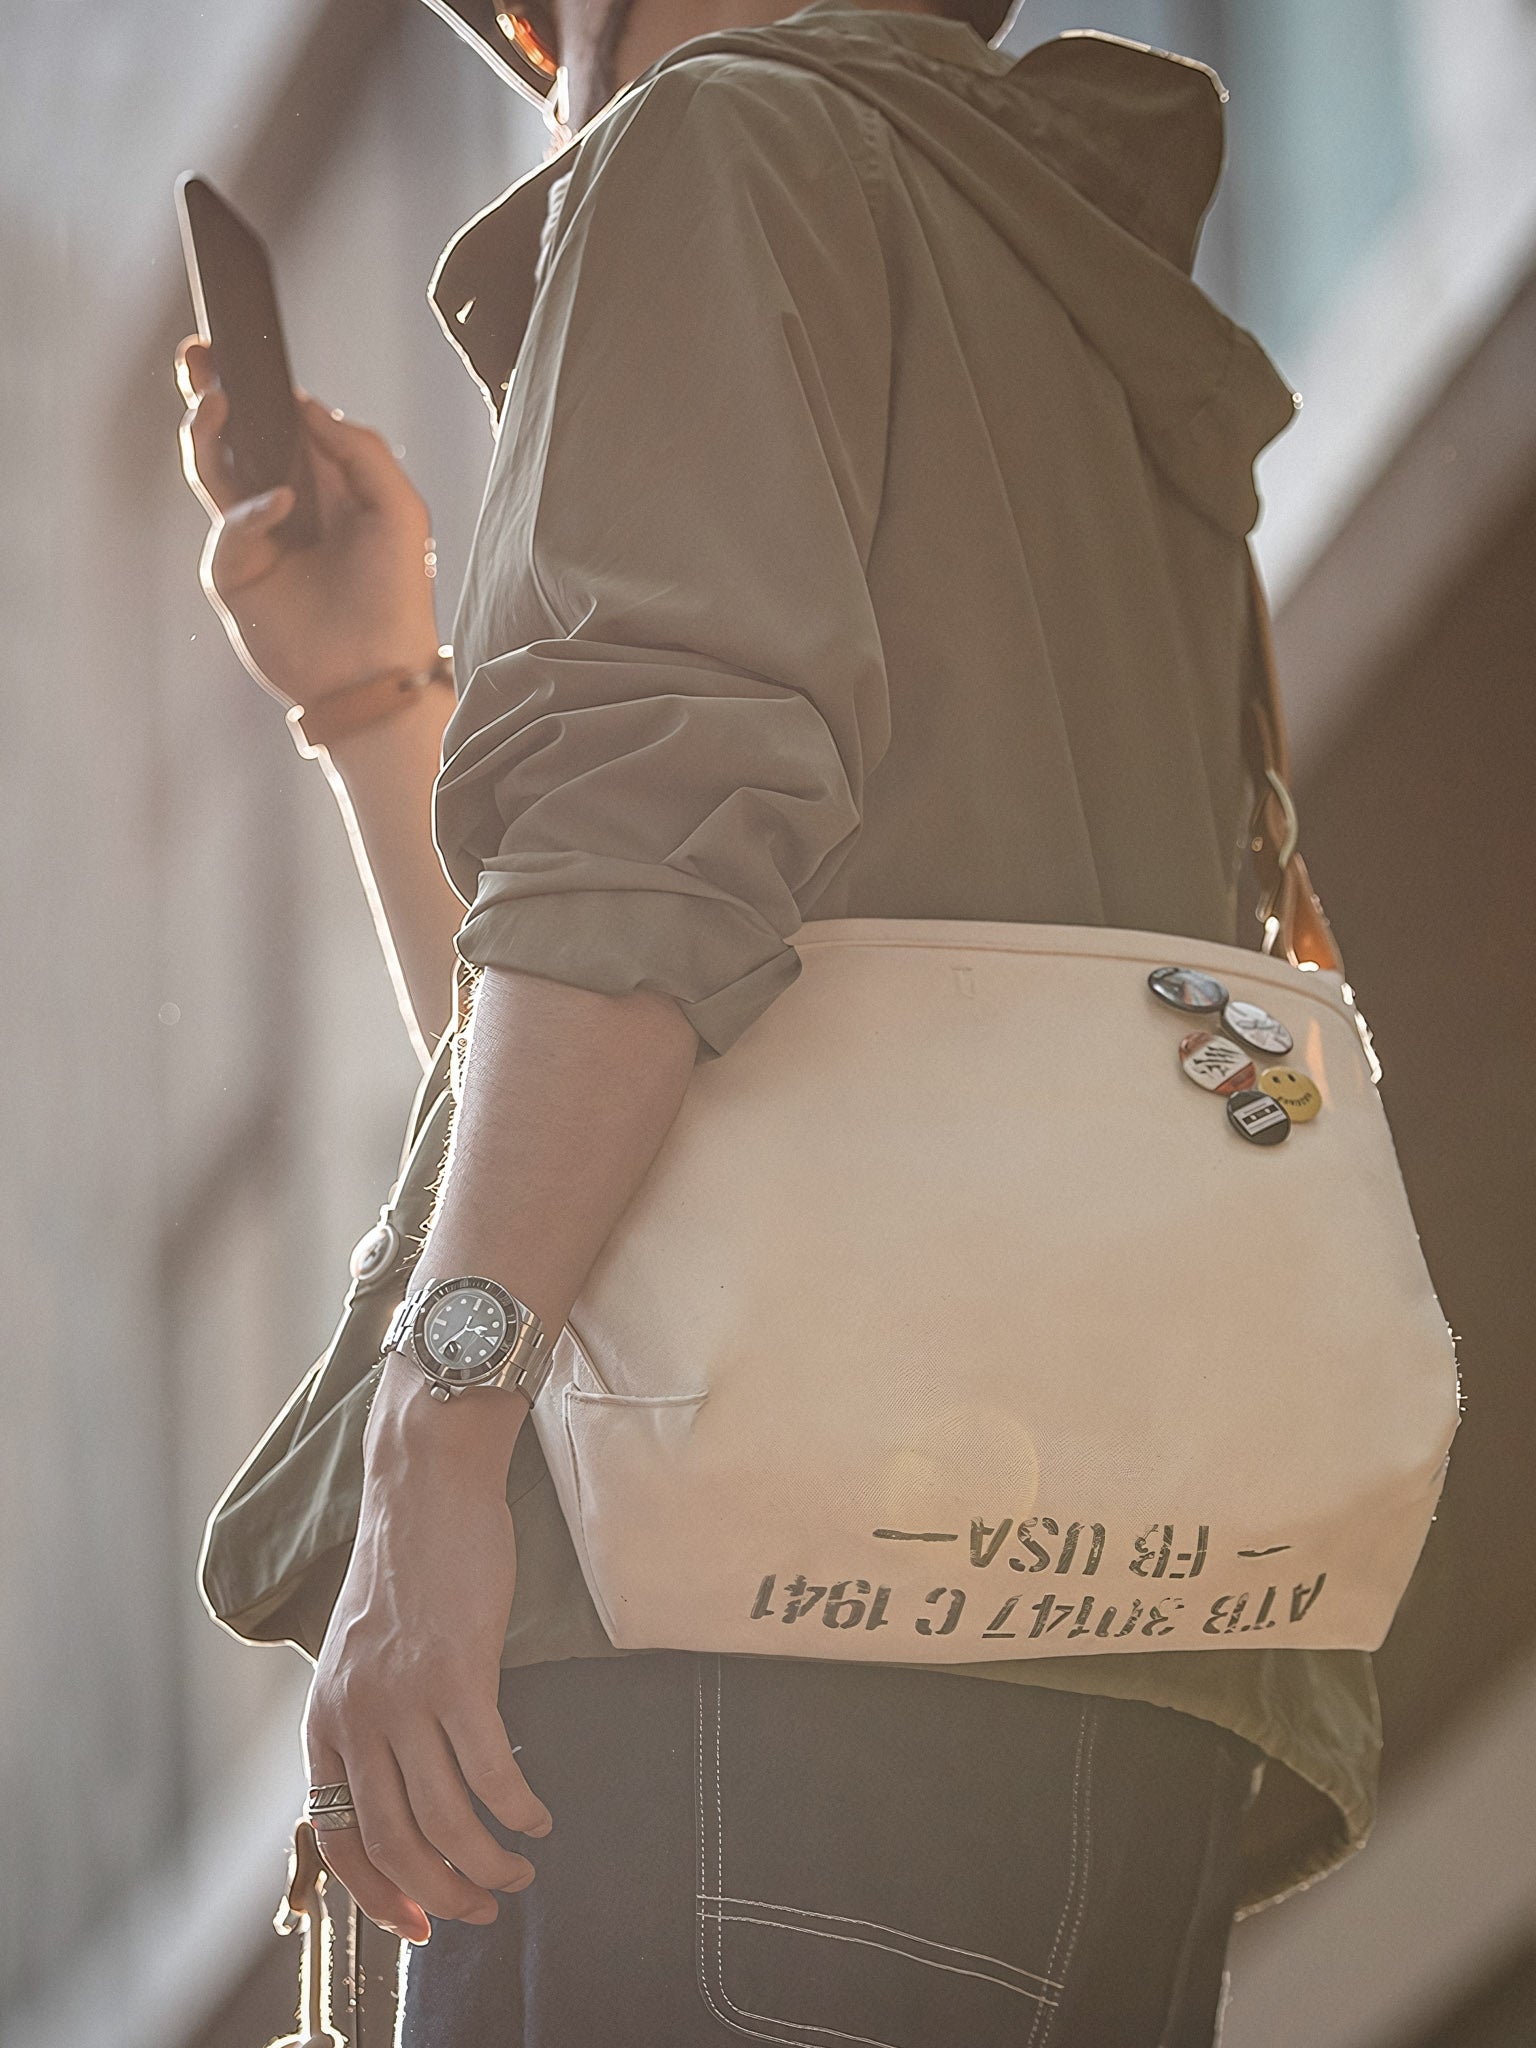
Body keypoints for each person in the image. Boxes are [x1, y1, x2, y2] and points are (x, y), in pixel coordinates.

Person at [177, 1, 1382, 2040]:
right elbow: (634, 1057)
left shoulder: (716, 148)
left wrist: (427, 1460)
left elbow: (636, 899)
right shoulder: (1078, 302)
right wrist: (374, 698)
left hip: (729, 1680)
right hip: (1107, 1725)